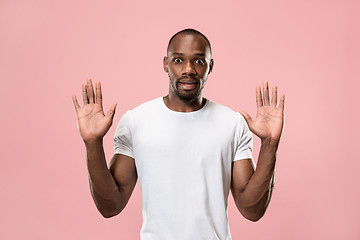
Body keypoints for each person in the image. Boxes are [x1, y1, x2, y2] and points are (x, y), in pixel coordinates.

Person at [72, 28, 285, 240]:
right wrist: (93, 143)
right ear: (166, 64)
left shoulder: (232, 123)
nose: (189, 69)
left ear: (210, 66)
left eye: (199, 61)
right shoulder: (136, 121)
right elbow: (110, 206)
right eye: (178, 60)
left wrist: (269, 144)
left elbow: (252, 210)